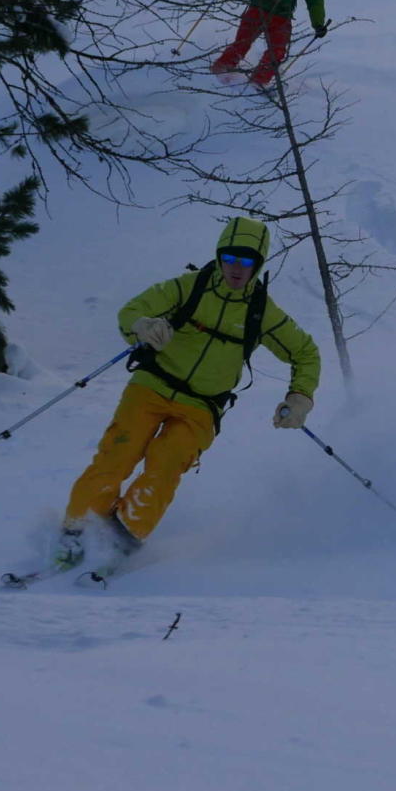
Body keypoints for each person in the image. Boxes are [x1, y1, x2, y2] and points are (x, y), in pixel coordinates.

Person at [56, 217, 322, 567]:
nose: (236, 268)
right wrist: (143, 327)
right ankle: (78, 530)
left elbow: (306, 353)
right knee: (117, 455)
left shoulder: (261, 312)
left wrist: (299, 398)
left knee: (166, 464)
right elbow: (131, 311)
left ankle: (121, 538)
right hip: (152, 386)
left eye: (246, 261)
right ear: (220, 256)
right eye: (230, 258)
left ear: (258, 264)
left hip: (201, 406)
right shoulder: (189, 288)